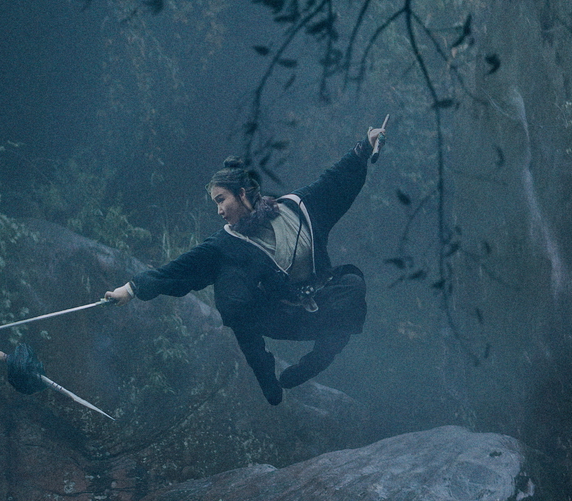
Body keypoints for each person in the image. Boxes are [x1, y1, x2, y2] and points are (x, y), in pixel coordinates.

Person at [105, 123, 385, 405]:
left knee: (353, 285)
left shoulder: (296, 207)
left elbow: (335, 181)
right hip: (280, 317)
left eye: (221, 200)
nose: (219, 210)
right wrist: (130, 290)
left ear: (241, 194)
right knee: (231, 296)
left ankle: (321, 356)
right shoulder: (226, 243)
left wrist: (365, 146)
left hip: (319, 307)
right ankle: (265, 372)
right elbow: (178, 270)